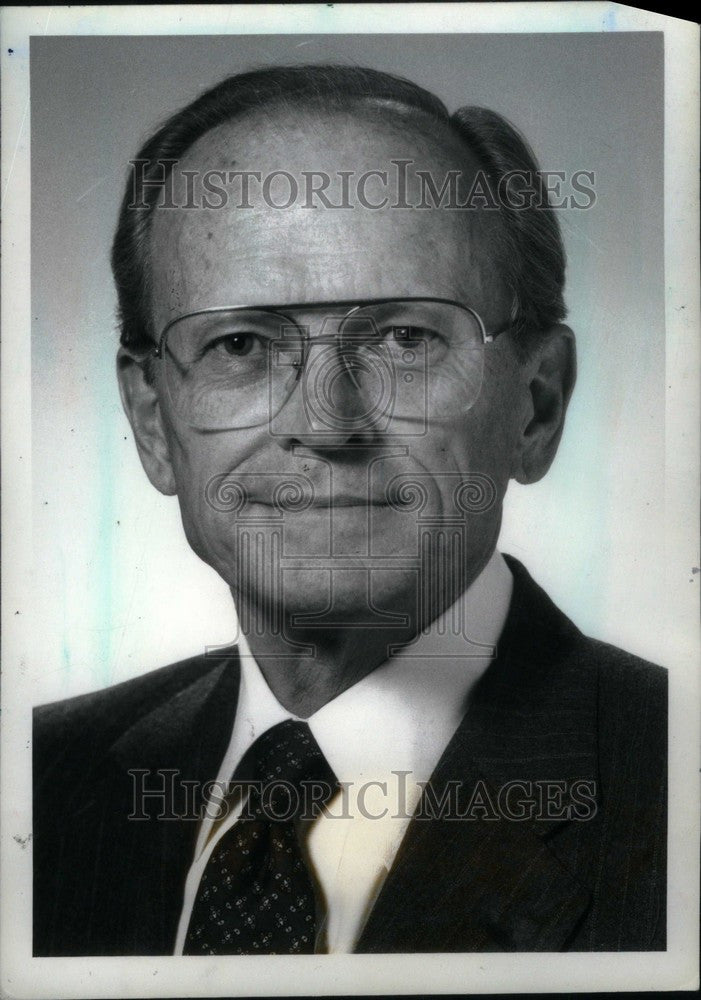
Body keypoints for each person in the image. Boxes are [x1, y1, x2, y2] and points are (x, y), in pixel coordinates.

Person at [33, 64, 667, 956]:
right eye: (241, 344)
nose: (327, 424)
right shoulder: (37, 778)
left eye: (404, 338)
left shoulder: (674, 780)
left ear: (536, 405)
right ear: (152, 422)